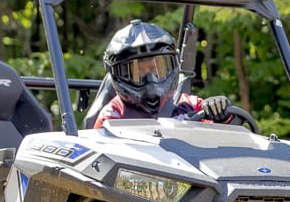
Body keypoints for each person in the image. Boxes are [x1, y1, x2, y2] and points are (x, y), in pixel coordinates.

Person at [93, 19, 232, 129]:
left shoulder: (189, 104)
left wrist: (221, 113)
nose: (150, 80)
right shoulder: (113, 115)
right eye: (138, 72)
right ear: (118, 75)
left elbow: (225, 141)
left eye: (157, 69)